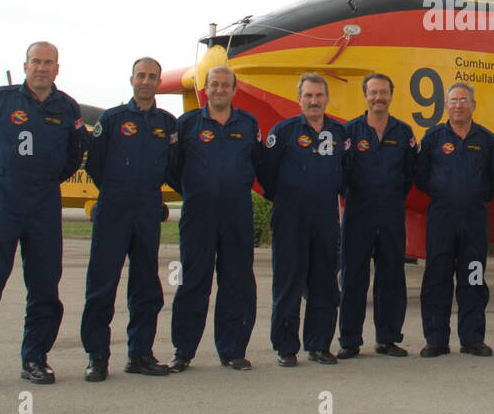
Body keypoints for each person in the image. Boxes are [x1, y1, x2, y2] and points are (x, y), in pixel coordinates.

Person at [0, 41, 87, 392]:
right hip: (2, 199)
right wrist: (0, 172)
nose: (42, 68)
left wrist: (44, 178)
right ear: (25, 65)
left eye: (49, 62)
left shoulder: (67, 107)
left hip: (43, 201)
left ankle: (35, 358)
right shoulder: (0, 99)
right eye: (36, 61)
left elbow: (75, 156)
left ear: (58, 68)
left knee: (44, 286)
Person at [78, 57, 178, 382]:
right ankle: (97, 357)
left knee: (146, 285)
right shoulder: (112, 118)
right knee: (102, 284)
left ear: (159, 82)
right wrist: (117, 189)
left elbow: (174, 165)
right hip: (114, 207)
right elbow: (95, 163)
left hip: (148, 207)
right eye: (141, 75)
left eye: (152, 76)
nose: (146, 81)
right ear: (131, 79)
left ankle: (140, 354)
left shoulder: (167, 122)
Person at [166, 65, 263, 372]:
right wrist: (195, 191)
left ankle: (232, 350)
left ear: (235, 90)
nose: (219, 89)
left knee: (236, 282)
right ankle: (183, 350)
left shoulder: (248, 124)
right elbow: (172, 168)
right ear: (205, 89)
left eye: (225, 85)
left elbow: (261, 165)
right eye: (214, 84)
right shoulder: (187, 124)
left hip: (237, 214)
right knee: (193, 281)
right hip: (198, 214)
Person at [261, 72, 348, 367]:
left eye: (319, 95)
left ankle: (319, 344)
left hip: (325, 217)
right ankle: (286, 347)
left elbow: (347, 174)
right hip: (290, 217)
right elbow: (266, 176)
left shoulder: (339, 133)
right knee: (288, 283)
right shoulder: (283, 132)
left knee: (324, 282)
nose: (314, 101)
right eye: (308, 96)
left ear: (327, 99)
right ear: (299, 99)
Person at [413, 82, 494, 358]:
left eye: (464, 100)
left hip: (474, 220)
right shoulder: (433, 138)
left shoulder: (487, 139)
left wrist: (475, 195)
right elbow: (421, 176)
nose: (459, 105)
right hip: (442, 219)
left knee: (473, 278)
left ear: (474, 105)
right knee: (437, 278)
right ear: (446, 105)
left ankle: (472, 339)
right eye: (453, 100)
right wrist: (444, 193)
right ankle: (436, 339)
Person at [337, 73, 415, 359]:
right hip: (359, 214)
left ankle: (388, 338)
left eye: (383, 92)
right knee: (354, 277)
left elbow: (409, 175)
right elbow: (342, 173)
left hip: (392, 214)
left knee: (391, 277)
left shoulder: (403, 133)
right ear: (365, 95)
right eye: (373, 92)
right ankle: (350, 340)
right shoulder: (350, 132)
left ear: (391, 95)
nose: (378, 97)